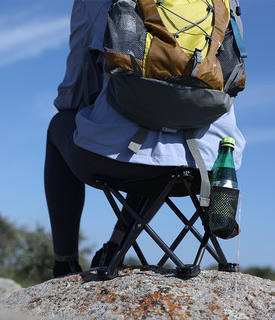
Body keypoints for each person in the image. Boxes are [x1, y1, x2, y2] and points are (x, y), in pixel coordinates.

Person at [45, 0, 246, 277]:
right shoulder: (228, 1)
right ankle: (115, 245)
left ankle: (63, 263)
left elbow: (74, 90)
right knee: (163, 138)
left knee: (61, 124)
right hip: (210, 169)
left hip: (119, 163)